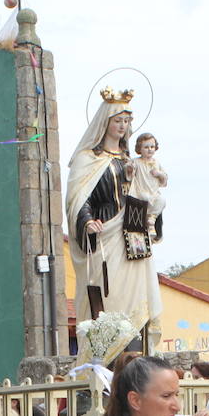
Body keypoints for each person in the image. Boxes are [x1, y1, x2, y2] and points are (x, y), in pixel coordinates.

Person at [68, 88, 161, 356]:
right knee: (107, 297)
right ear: (105, 122)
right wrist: (86, 222)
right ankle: (105, 357)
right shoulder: (88, 159)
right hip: (105, 232)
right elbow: (78, 199)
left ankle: (137, 355)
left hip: (133, 234)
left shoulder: (130, 160)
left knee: (138, 296)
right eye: (118, 120)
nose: (122, 126)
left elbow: (146, 190)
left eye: (126, 121)